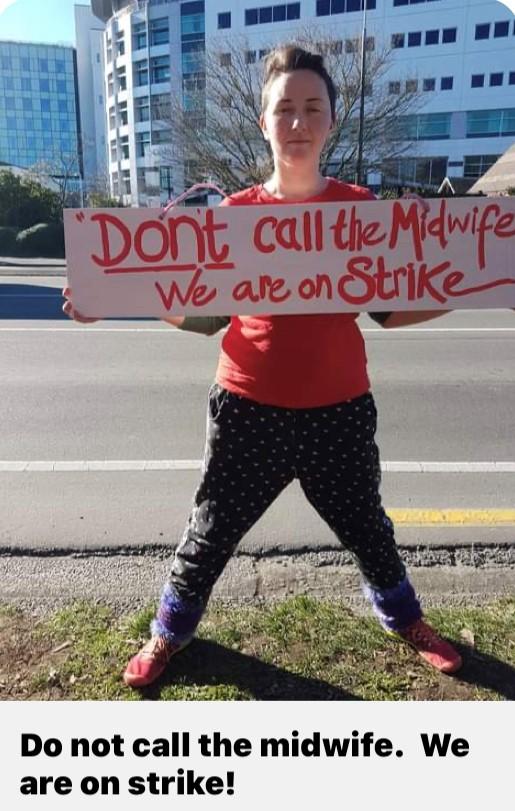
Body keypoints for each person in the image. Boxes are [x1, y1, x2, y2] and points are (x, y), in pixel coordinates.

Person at [64, 45, 464, 689]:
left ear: (332, 118)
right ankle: (169, 633)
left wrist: (468, 287)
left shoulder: (359, 212)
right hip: (248, 408)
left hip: (340, 410)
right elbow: (203, 315)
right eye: (286, 110)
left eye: (313, 108)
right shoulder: (234, 218)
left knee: (367, 526)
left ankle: (405, 619)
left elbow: (389, 310)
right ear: (264, 122)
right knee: (210, 531)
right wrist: (113, 298)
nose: (299, 123)